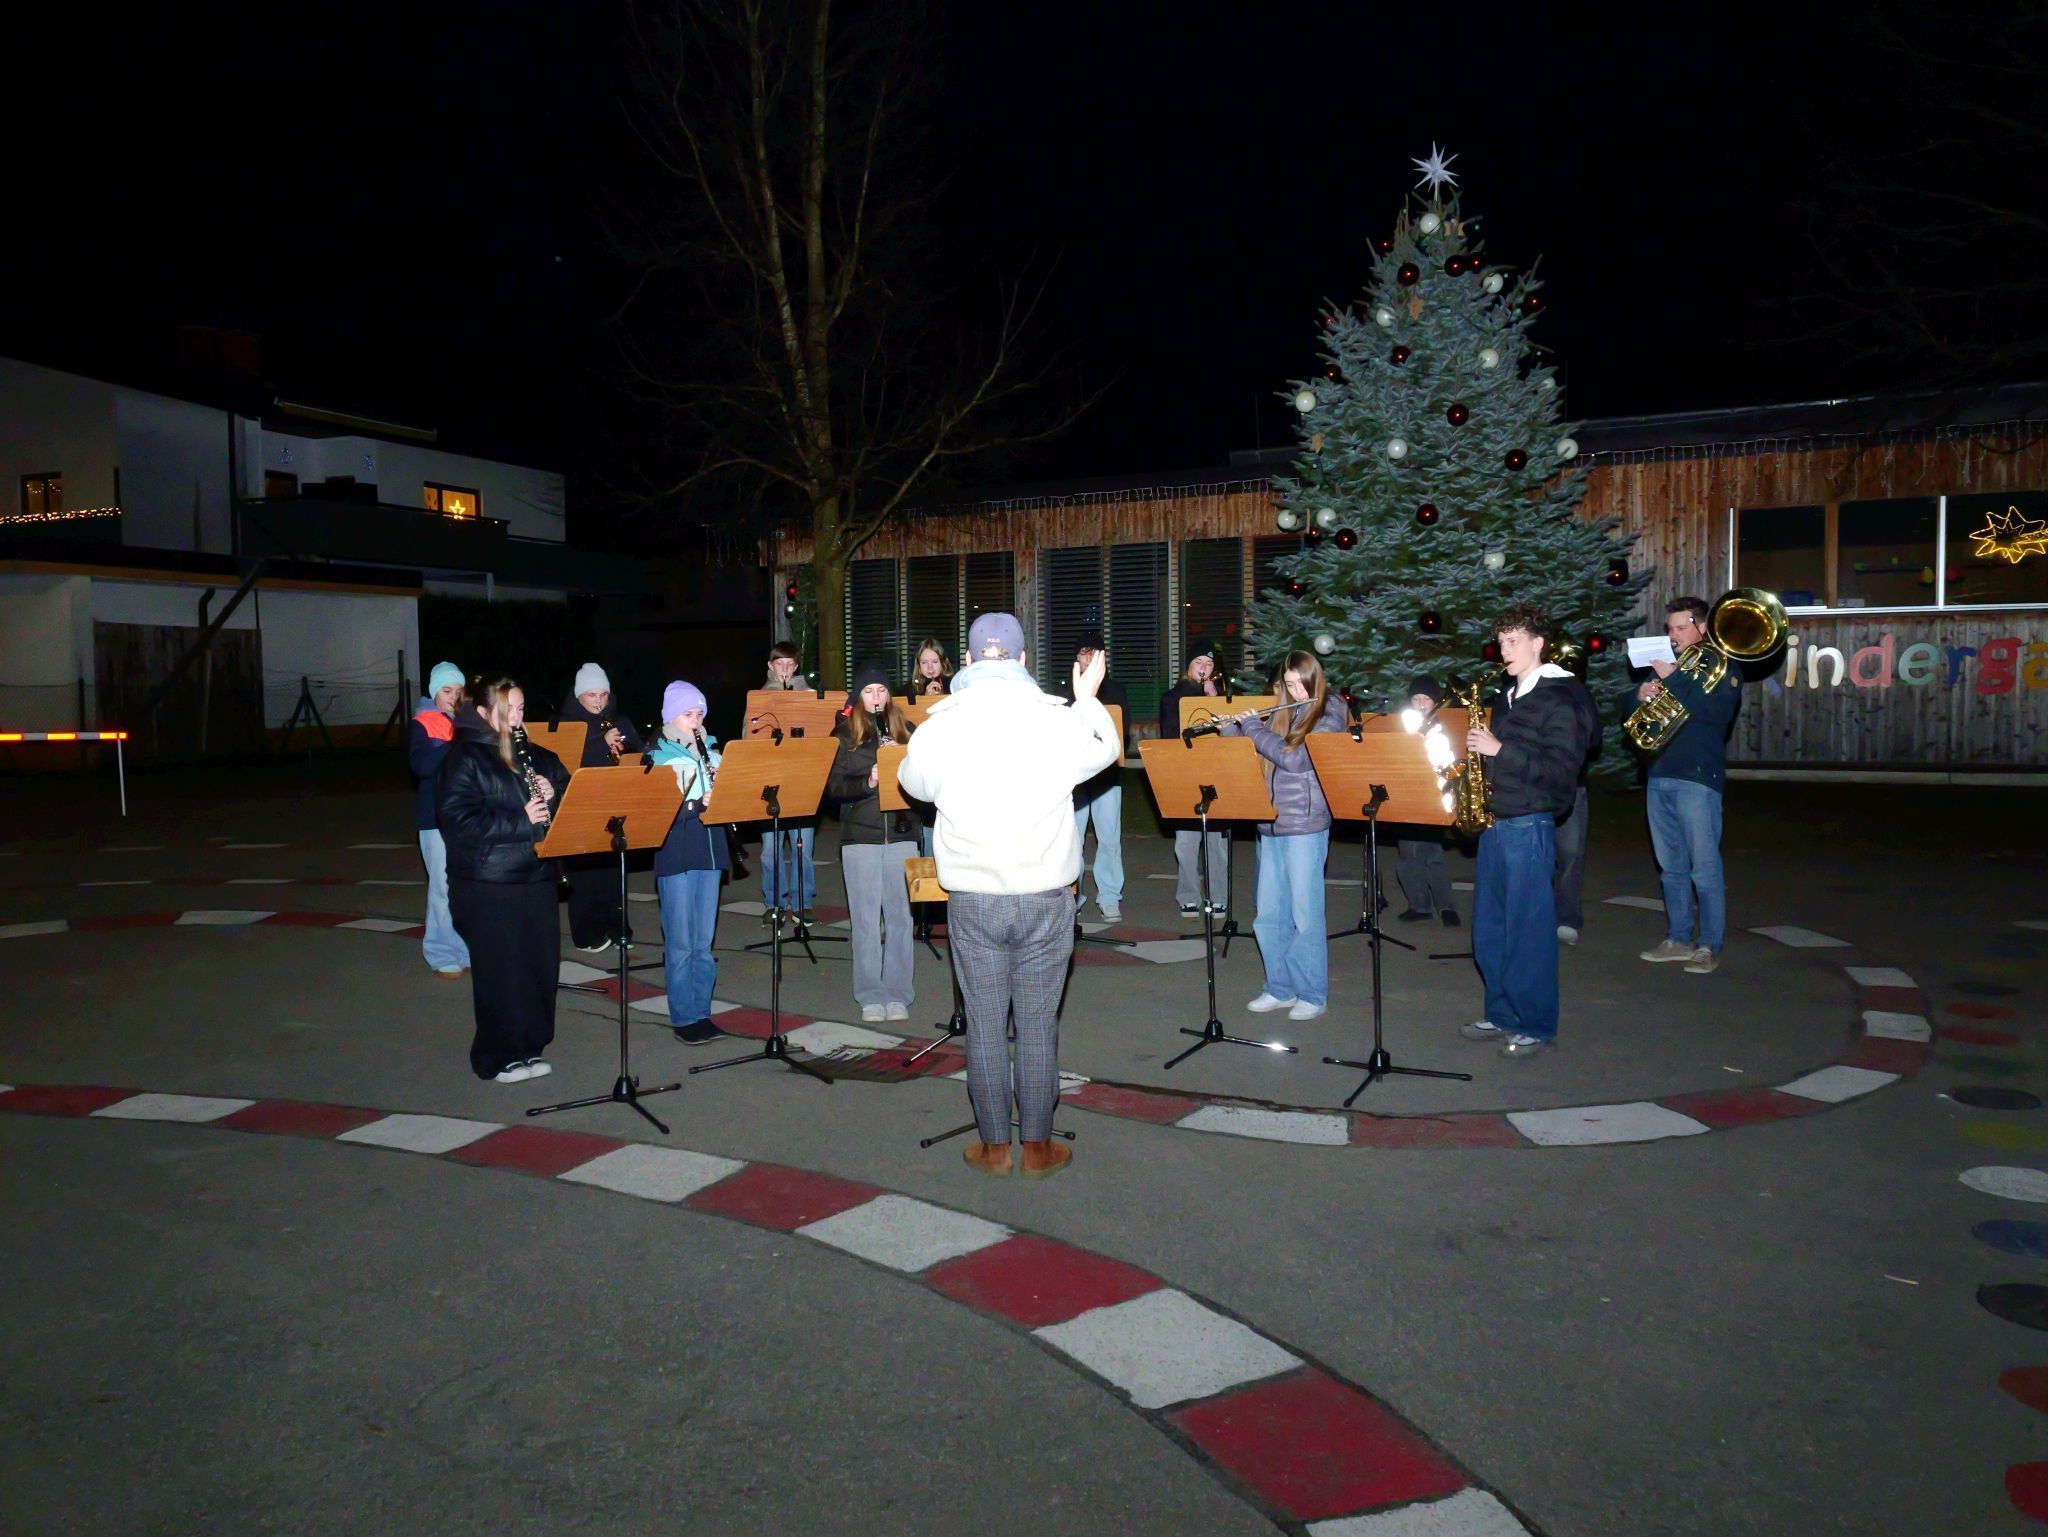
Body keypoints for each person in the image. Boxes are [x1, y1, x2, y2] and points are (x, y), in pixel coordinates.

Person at [899, 612, 1119, 1180]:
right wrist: (1086, 698)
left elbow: (912, 785)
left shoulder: (940, 726)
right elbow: (1106, 750)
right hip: (1045, 896)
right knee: (1039, 1025)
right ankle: (1039, 1149)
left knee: (986, 1024)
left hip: (974, 899)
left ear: (968, 662)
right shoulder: (1055, 721)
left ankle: (995, 1147)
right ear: (1023, 660)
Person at [1458, 606, 1597, 1059]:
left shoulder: (1560, 698)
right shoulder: (1509, 695)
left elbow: (1562, 773)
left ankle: (1535, 1024)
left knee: (1529, 930)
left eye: (1513, 641)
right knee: (1491, 929)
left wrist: (1501, 749)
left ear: (1539, 644)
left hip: (1530, 824)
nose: (1504, 650)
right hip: (1496, 823)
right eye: (1500, 642)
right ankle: (1501, 1013)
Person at [436, 672, 570, 1084]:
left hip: (536, 876)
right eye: (507, 709)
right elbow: (456, 820)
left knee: (539, 966)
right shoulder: (465, 756)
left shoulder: (535, 754)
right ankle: (497, 1055)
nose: (517, 717)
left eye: (521, 708)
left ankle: (530, 1046)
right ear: (482, 712)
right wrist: (519, 818)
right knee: (501, 972)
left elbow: (572, 793)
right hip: (487, 882)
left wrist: (556, 792)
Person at [1227, 651, 1352, 1022]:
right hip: (1271, 821)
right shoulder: (1285, 710)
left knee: (1304, 914)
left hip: (1305, 826)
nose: (1296, 690)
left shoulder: (1330, 709)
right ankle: (1279, 988)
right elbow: (1262, 752)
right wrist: (1233, 730)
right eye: (1289, 683)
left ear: (1315, 679)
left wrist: (1254, 729)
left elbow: (1296, 759)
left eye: (1301, 683)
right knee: (1268, 914)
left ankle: (1313, 993)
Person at [1636, 594, 1740, 975]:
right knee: (1671, 867)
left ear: (1702, 627)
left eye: (1681, 628)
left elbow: (1715, 713)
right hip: (1660, 773)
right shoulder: (1671, 666)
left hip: (1697, 778)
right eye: (1670, 628)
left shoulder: (1721, 664)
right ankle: (1678, 939)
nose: (1674, 635)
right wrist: (1640, 695)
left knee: (1705, 868)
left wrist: (1673, 679)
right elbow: (1632, 718)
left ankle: (1709, 945)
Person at [828, 664, 920, 1023]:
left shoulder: (905, 729)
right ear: (859, 697)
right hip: (861, 836)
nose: (877, 698)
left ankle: (898, 993)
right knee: (866, 921)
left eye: (882, 691)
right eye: (870, 692)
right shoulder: (842, 735)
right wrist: (868, 780)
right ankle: (869, 993)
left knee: (900, 918)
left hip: (901, 834)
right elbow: (832, 790)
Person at [649, 680, 730, 1046]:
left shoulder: (713, 753)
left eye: (700, 715)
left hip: (710, 852)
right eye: (687, 715)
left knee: (703, 941)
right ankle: (684, 1015)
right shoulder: (659, 756)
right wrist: (699, 802)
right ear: (671, 717)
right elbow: (659, 810)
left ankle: (702, 1011)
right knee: (681, 941)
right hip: (677, 853)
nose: (695, 722)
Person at [558, 662, 646, 953]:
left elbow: (639, 755)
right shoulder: (566, 725)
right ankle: (587, 933)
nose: (598, 702)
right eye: (591, 695)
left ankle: (617, 926)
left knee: (613, 869)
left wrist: (626, 746)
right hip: (582, 803)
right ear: (578, 696)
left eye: (603, 695)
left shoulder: (619, 720)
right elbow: (565, 761)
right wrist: (599, 741)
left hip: (614, 801)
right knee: (586, 872)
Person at [407, 660, 472, 978]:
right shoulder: (423, 723)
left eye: (459, 691)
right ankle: (441, 952)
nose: (453, 696)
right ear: (435, 692)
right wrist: (455, 745)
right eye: (447, 690)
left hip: (467, 816)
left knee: (467, 885)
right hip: (435, 818)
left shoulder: (468, 722)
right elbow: (422, 766)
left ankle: (465, 948)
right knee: (443, 888)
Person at [1059, 629, 1128, 923]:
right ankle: (1071, 896)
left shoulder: (1115, 691)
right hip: (1076, 779)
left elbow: (1119, 736)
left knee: (1109, 838)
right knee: (1071, 839)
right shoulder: (1064, 693)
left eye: (1094, 652)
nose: (1088, 658)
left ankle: (1110, 896)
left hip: (1107, 779)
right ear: (1076, 658)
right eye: (1083, 653)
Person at [1158, 649, 1229, 917]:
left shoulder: (1220, 697)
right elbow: (1170, 734)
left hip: (1216, 772)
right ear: (1188, 665)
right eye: (1199, 661)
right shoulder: (1172, 697)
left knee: (1216, 843)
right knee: (1186, 842)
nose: (1204, 667)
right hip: (1185, 773)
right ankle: (1188, 894)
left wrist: (1214, 699)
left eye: (1209, 663)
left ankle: (1218, 895)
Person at [1392, 675, 1460, 930]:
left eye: (1426, 699)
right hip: (1408, 795)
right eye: (1416, 699)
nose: (1420, 704)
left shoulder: (1443, 726)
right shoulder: (1404, 725)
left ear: (1436, 702)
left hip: (1434, 795)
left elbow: (1448, 759)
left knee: (1433, 853)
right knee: (1409, 853)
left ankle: (1446, 906)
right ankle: (1418, 904)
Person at [757, 641, 818, 920]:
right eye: (779, 664)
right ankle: (775, 902)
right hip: (770, 780)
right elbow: (750, 737)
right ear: (770, 666)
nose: (785, 669)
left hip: (801, 779)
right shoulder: (758, 698)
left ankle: (803, 903)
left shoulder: (809, 695)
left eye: (790, 664)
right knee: (771, 850)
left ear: (796, 666)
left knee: (802, 847)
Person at [1552, 659, 1604, 945]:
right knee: (1537, 857)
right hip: (1534, 787)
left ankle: (1568, 917)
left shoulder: (1574, 689)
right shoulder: (1522, 688)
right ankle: (1537, 917)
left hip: (1573, 785)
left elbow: (1594, 736)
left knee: (1570, 854)